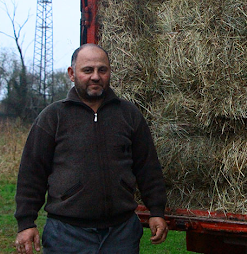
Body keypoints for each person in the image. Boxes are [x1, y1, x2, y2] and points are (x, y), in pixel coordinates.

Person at [14, 43, 168, 254]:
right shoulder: (53, 117)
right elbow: (32, 173)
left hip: (121, 234)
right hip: (66, 235)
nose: (96, 76)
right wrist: (26, 222)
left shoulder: (128, 114)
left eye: (102, 70)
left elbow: (148, 167)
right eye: (88, 70)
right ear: (72, 73)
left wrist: (157, 210)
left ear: (109, 72)